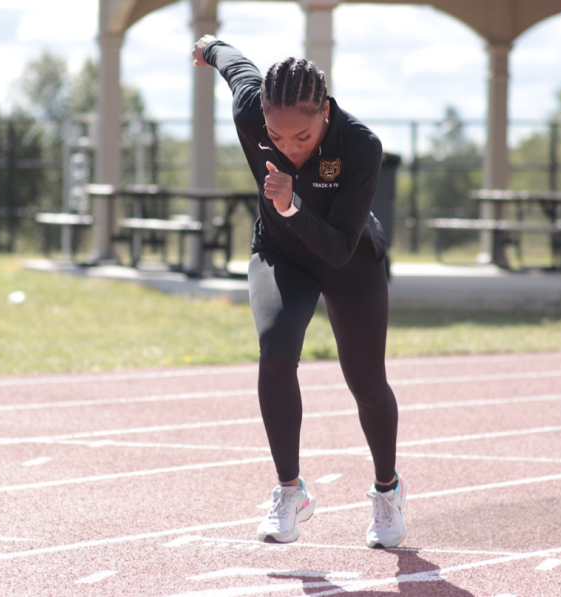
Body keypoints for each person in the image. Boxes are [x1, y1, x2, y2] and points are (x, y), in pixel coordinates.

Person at [192, 35, 406, 549]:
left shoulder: (361, 146)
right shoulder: (251, 109)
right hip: (281, 253)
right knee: (276, 350)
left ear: (325, 113)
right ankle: (290, 491)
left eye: (303, 137)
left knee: (366, 382)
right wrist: (211, 46)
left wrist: (289, 206)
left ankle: (387, 490)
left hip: (348, 259)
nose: (289, 148)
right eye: (276, 137)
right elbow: (236, 67)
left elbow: (335, 248)